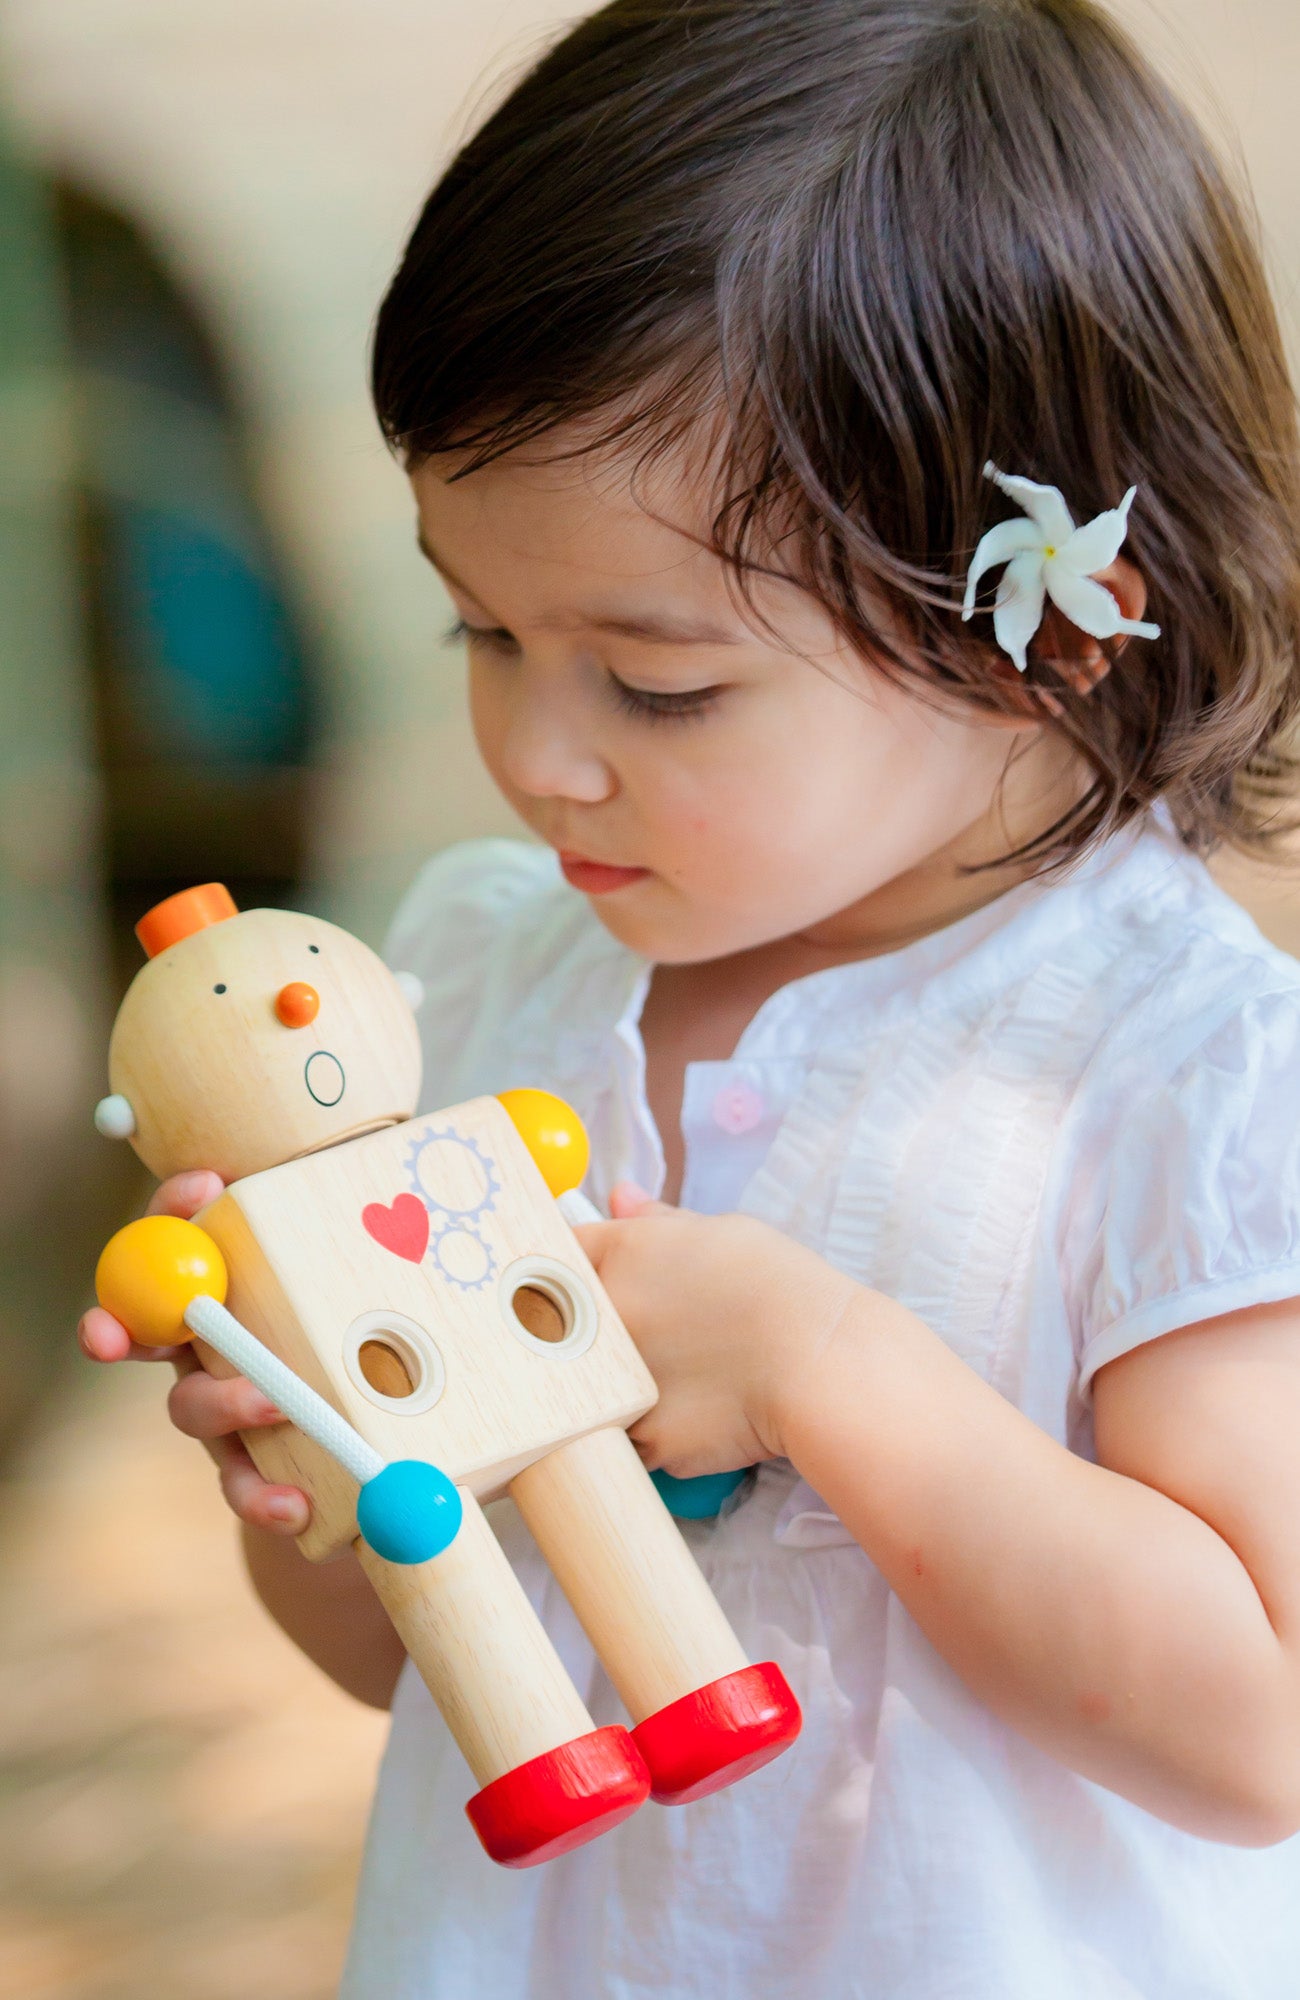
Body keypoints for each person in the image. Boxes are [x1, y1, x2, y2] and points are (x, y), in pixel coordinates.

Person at [79, 0, 1300, 1992]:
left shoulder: (1174, 1072)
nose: (539, 754)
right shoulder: (471, 979)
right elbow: (408, 1670)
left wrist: (824, 1361)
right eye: (478, 624)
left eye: (655, 683)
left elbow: (1253, 1726)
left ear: (1045, 632)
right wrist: (306, 1454)